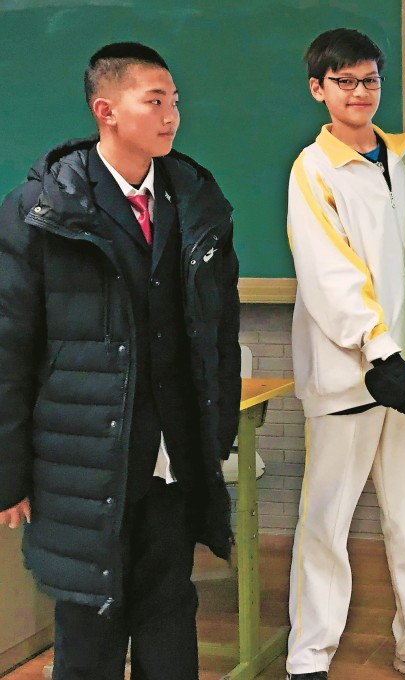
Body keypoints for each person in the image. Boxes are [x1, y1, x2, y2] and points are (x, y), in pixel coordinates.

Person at [0, 42, 241, 680]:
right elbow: (9, 348)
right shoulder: (41, 210)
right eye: (154, 102)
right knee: (89, 627)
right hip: (81, 460)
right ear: (106, 110)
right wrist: (7, 472)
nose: (171, 116)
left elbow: (220, 327)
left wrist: (215, 432)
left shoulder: (196, 200)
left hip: (171, 455)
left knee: (170, 612)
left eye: (175, 102)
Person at [284, 28, 405, 680]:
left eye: (369, 80)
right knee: (326, 523)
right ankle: (308, 659)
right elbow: (329, 271)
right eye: (345, 82)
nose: (360, 92)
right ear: (319, 89)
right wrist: (378, 349)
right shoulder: (314, 169)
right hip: (351, 375)